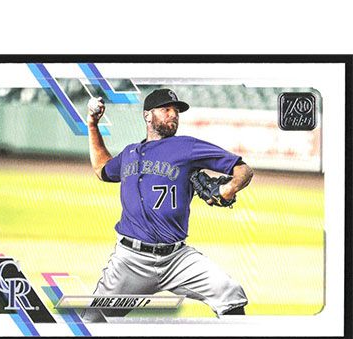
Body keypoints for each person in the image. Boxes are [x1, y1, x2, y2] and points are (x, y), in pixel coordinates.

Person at [82, 88, 253, 322]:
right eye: (166, 109)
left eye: (176, 111)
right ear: (147, 115)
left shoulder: (187, 146)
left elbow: (243, 169)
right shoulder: (130, 153)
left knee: (230, 293)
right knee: (91, 320)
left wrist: (229, 188)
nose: (173, 114)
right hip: (130, 261)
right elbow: (102, 169)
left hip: (177, 259)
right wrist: (92, 125)